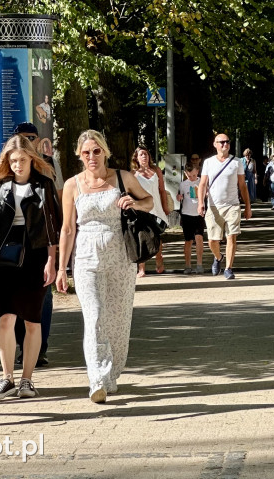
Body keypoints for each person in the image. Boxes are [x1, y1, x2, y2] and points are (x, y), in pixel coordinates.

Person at [56, 130, 152, 403]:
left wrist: (135, 203)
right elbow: (66, 229)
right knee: (95, 317)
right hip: (86, 258)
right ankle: (97, 379)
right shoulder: (73, 185)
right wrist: (62, 268)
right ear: (79, 155)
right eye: (86, 152)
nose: (91, 156)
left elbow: (150, 201)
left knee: (119, 319)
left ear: (105, 152)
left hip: (120, 257)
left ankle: (112, 374)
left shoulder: (123, 178)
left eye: (96, 151)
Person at [0, 135, 61, 400]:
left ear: (32, 159)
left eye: (22, 160)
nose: (17, 165)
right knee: (6, 317)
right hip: (5, 256)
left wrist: (53, 261)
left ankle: (27, 379)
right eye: (12, 160)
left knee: (32, 320)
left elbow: (53, 227)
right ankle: (6, 378)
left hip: (36, 254)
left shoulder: (44, 185)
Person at [12, 123, 61, 368]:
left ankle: (40, 348)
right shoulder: (9, 166)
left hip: (40, 242)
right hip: (13, 244)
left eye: (31, 137)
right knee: (17, 298)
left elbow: (57, 200)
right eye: (22, 137)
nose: (28, 141)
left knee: (43, 297)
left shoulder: (48, 165)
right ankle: (23, 346)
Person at [197, 133, 252, 279]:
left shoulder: (237, 162)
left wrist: (247, 206)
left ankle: (228, 268)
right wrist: (201, 203)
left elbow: (242, 186)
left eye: (227, 142)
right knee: (212, 241)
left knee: (231, 237)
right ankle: (218, 257)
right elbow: (202, 184)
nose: (224, 144)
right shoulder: (209, 162)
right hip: (214, 206)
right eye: (221, 142)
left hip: (232, 206)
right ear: (215, 144)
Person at [131, 146, 169, 277]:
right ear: (136, 157)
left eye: (146, 154)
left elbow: (162, 190)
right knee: (142, 237)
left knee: (156, 236)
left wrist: (165, 207)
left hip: (157, 207)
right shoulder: (133, 174)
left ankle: (159, 259)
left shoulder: (156, 170)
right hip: (143, 209)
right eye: (141, 154)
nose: (144, 156)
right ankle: (142, 268)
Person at [177, 163, 205, 274]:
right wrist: (179, 197)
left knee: (199, 238)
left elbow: (206, 193)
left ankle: (199, 264)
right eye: (189, 176)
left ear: (197, 171)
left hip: (199, 214)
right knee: (188, 240)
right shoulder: (183, 184)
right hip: (186, 214)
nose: (192, 178)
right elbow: (179, 196)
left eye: (193, 175)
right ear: (185, 174)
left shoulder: (201, 182)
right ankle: (187, 265)